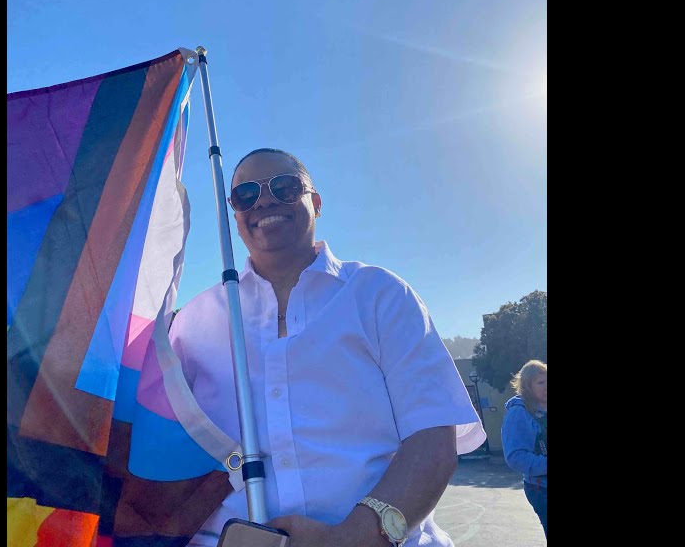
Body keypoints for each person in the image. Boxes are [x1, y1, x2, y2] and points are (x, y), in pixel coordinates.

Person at [170, 148, 486, 547]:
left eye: (284, 187)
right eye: (246, 195)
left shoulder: (378, 294)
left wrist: (352, 539)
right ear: (235, 214)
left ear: (315, 202)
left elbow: (433, 439)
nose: (264, 201)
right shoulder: (191, 324)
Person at [501, 359, 547, 537]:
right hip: (542, 489)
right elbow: (516, 457)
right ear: (527, 386)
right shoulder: (519, 412)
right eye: (541, 382)